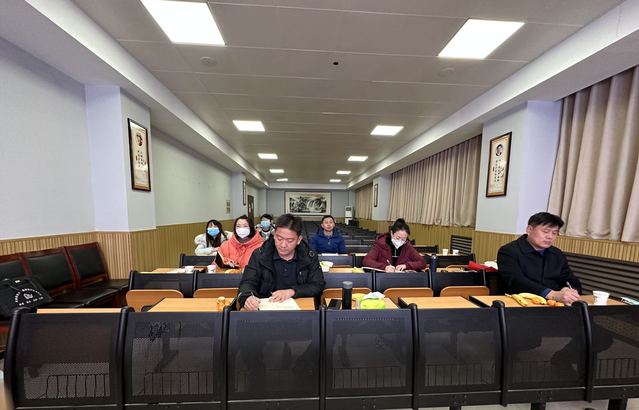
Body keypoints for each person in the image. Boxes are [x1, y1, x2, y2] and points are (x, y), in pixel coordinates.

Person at [239, 213, 326, 310]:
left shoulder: (309, 256)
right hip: (266, 308)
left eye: (289, 240)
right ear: (274, 235)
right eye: (279, 238)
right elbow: (247, 282)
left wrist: (292, 292)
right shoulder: (259, 254)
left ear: (298, 240)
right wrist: (248, 296)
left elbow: (318, 285)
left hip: (300, 309)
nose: (283, 245)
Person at [497, 212, 581, 304]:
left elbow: (570, 279)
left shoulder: (557, 254)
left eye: (554, 233)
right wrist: (552, 294)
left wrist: (570, 291)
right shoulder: (508, 251)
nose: (550, 236)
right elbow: (516, 281)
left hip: (553, 304)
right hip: (518, 303)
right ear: (529, 229)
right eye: (546, 231)